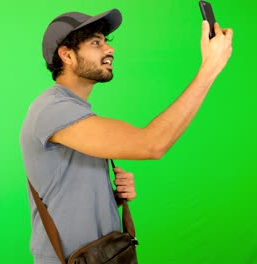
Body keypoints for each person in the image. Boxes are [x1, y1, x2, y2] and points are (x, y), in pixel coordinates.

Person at [20, 8, 233, 264]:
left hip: (102, 255)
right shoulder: (53, 109)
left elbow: (65, 193)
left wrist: (110, 196)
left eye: (106, 42)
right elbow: (151, 144)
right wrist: (209, 68)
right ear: (67, 55)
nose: (109, 50)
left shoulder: (75, 110)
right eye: (96, 43)